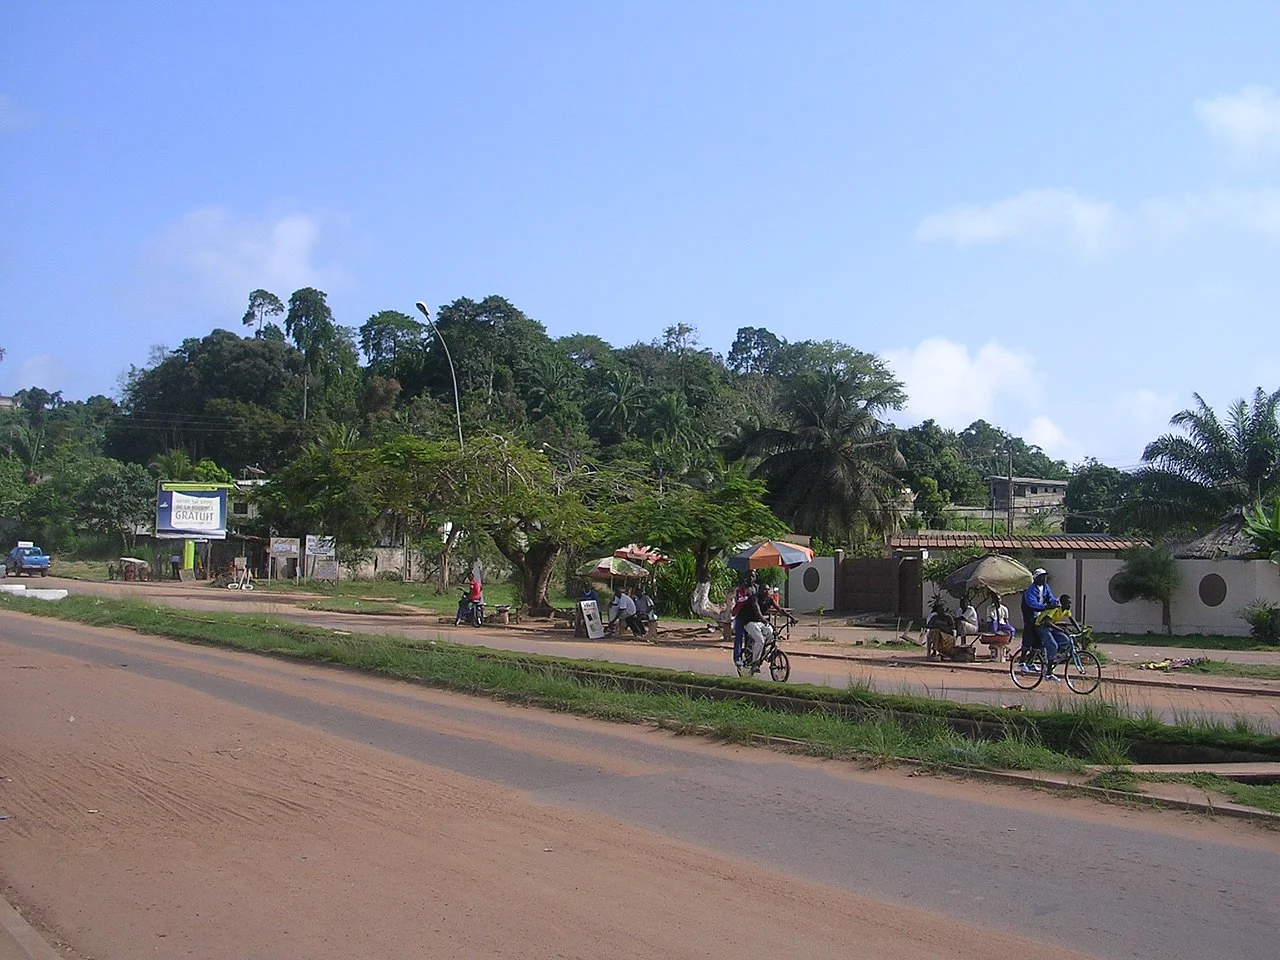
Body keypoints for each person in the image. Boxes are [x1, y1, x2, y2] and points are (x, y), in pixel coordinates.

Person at [1020, 568, 1059, 675]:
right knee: (1028, 639)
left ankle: (1030, 662)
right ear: (1036, 578)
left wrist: (1055, 603)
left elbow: (1050, 598)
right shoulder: (1030, 590)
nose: (1044, 579)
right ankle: (1022, 661)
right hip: (1030, 616)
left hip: (1039, 617)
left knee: (1038, 643)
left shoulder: (1045, 587)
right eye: (1042, 577)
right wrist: (1046, 607)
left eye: (1045, 577)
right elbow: (1032, 604)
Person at [1036, 593, 1083, 677]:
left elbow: (1072, 619)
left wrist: (1080, 630)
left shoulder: (1065, 610)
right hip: (1041, 627)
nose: (1070, 605)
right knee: (1053, 646)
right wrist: (1061, 629)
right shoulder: (1055, 608)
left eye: (1070, 603)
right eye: (1068, 603)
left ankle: (1055, 656)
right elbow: (1047, 622)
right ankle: (1049, 672)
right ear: (1062, 603)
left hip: (1051, 627)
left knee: (1066, 640)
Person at [729, 572, 757, 669]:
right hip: (741, 617)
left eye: (752, 576)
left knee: (751, 638)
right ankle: (737, 658)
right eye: (749, 576)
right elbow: (740, 600)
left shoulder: (756, 588)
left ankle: (750, 657)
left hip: (751, 618)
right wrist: (748, 599)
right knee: (739, 638)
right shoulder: (741, 589)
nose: (750, 578)